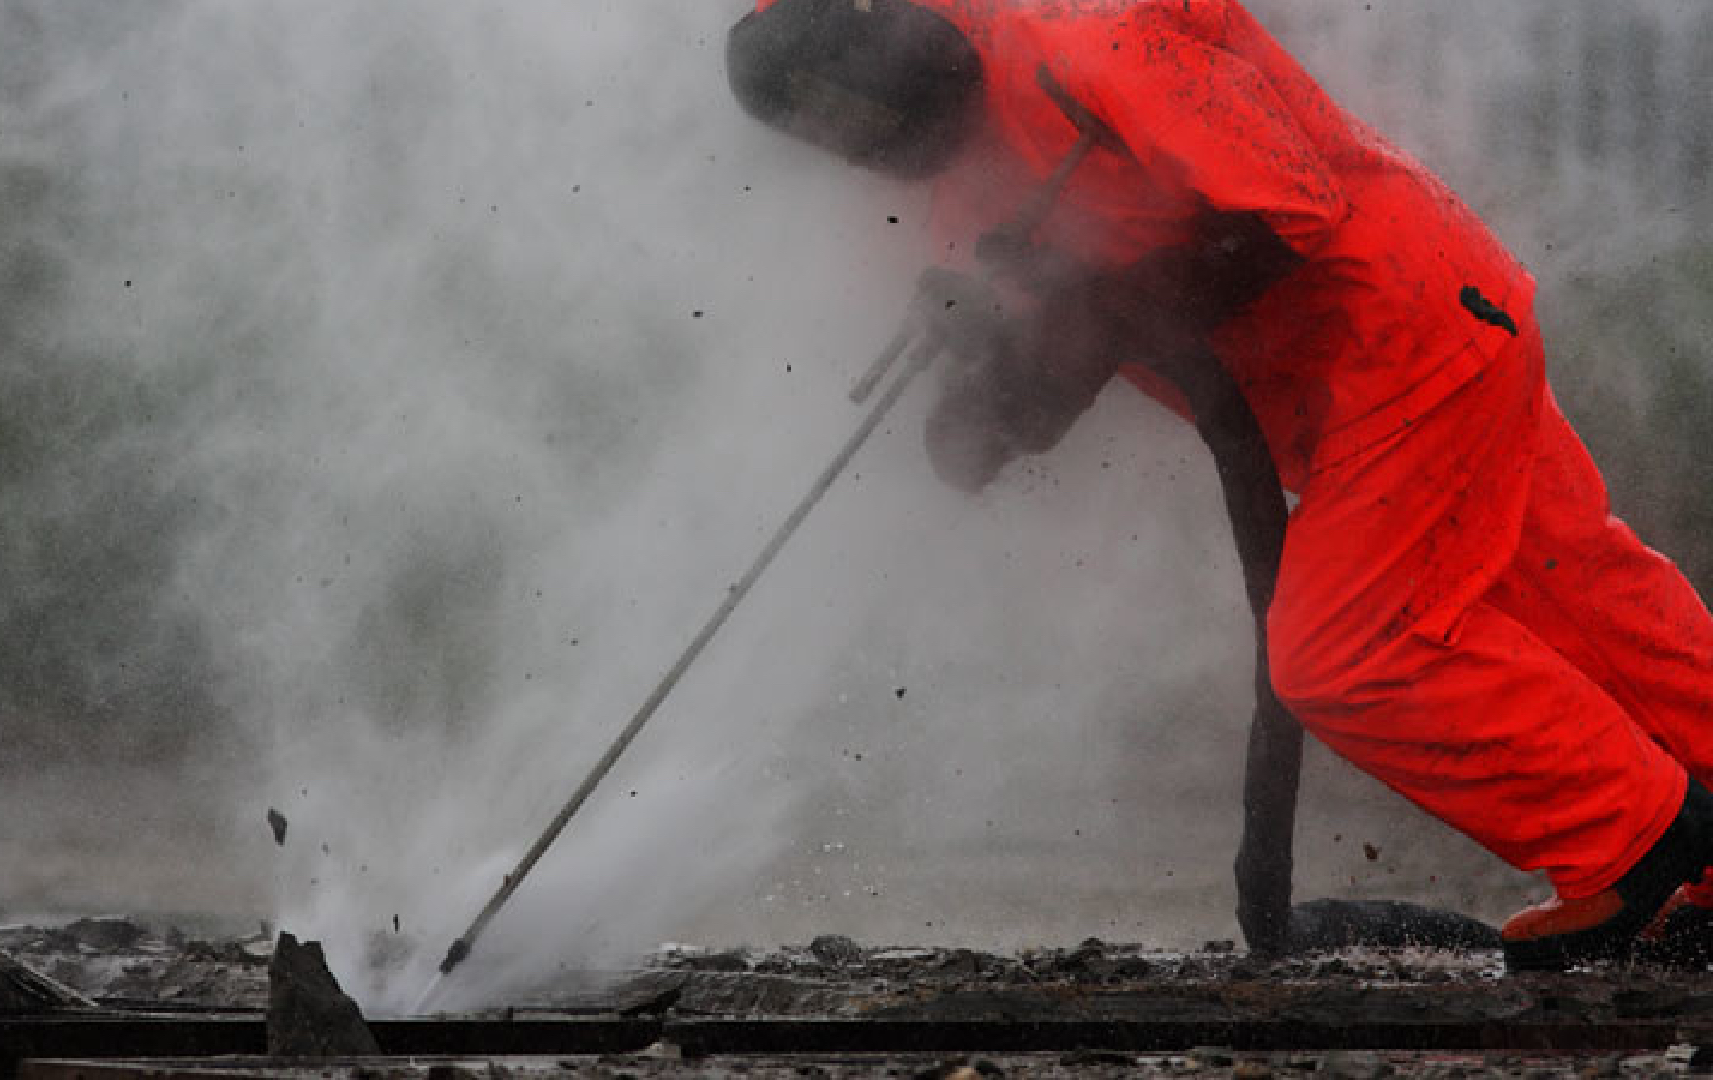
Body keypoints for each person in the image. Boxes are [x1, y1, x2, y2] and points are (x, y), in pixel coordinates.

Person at [725, 0, 1713, 971]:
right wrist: (983, 394)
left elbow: (1286, 206)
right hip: (1370, 385)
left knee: (1343, 651)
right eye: (850, 137)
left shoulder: (1088, 39)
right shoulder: (958, 205)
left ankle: (1635, 841)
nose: (879, 145)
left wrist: (1089, 302)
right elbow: (1039, 392)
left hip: (1404, 326)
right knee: (1575, 592)